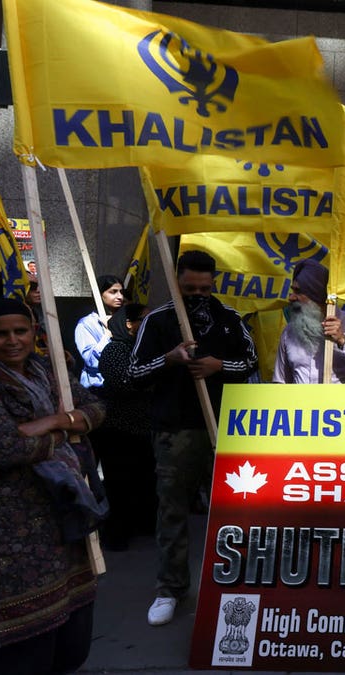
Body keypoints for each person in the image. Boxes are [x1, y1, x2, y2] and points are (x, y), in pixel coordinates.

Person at [0, 297, 106, 674]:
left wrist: (53, 421)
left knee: (69, 629)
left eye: (21, 330)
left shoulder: (47, 372)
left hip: (63, 511)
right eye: (0, 334)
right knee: (13, 637)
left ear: (34, 332)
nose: (13, 340)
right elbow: (2, 448)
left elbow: (96, 408)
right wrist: (66, 430)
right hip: (9, 525)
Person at [129, 250, 258, 626]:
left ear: (214, 282)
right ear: (177, 282)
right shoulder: (157, 321)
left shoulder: (230, 320)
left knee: (235, 510)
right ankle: (170, 588)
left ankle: (232, 582)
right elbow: (134, 373)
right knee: (173, 510)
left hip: (227, 429)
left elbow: (250, 363)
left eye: (205, 287)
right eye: (190, 288)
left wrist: (220, 366)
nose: (198, 293)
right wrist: (168, 359)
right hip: (175, 429)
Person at [95, 302, 157, 551]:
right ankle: (117, 533)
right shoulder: (115, 351)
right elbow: (126, 382)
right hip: (118, 430)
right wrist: (154, 374)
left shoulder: (145, 349)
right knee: (119, 482)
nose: (149, 325)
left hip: (143, 428)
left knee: (143, 479)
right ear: (129, 324)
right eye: (144, 319)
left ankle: (143, 524)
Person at [273, 259, 345, 384]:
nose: (291, 297)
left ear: (316, 295)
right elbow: (280, 382)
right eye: (292, 290)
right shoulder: (289, 332)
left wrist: (343, 341)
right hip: (301, 403)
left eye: (298, 291)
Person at [73, 274, 126, 389]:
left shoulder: (125, 320)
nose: (120, 297)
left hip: (123, 387)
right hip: (98, 387)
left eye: (121, 292)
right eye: (113, 292)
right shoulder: (86, 323)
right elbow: (91, 360)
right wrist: (107, 335)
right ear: (99, 294)